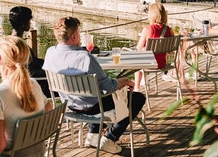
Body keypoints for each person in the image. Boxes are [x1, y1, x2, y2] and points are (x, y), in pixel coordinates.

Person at [43, 17, 146, 154]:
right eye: (79, 33)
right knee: (137, 98)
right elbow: (108, 87)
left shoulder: (50, 53)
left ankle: (93, 134)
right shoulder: (85, 58)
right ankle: (110, 138)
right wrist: (126, 81)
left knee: (93, 94)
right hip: (94, 108)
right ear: (74, 36)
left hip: (70, 105)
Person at [0, 35, 52, 157]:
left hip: (11, 154)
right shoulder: (33, 84)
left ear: (0, 58)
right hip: (37, 152)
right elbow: (48, 108)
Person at [9, 6, 52, 97]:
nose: (30, 23)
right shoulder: (19, 45)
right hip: (31, 83)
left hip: (26, 80)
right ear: (23, 24)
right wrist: (51, 71)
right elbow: (30, 70)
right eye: (29, 20)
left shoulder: (10, 41)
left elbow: (33, 62)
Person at [134, 3, 174, 90]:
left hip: (149, 64)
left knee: (136, 62)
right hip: (162, 64)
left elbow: (138, 49)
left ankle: (136, 88)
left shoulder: (147, 30)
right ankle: (143, 80)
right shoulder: (169, 30)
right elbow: (171, 51)